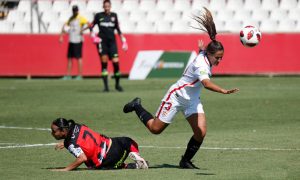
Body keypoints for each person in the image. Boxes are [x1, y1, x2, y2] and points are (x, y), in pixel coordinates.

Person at [123, 7, 239, 169]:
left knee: (201, 132)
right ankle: (137, 105)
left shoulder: (205, 57)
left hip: (191, 100)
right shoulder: (201, 63)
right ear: (210, 55)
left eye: (221, 58)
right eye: (218, 58)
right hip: (176, 96)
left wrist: (201, 49)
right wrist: (223, 90)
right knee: (155, 129)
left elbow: (202, 56)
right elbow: (205, 83)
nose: (219, 61)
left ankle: (185, 161)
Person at [50, 118, 148, 171]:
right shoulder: (77, 125)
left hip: (105, 161)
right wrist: (65, 142)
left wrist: (65, 169)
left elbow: (82, 158)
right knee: (128, 141)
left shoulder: (70, 144)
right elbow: (80, 137)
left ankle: (123, 165)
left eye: (54, 131)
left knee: (107, 164)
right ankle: (136, 158)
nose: (52, 133)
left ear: (63, 130)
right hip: (113, 145)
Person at [88, 0, 128, 92]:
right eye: (105, 6)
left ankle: (117, 85)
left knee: (116, 63)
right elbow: (91, 26)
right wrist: (93, 36)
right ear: (103, 7)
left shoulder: (114, 16)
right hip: (102, 43)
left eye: (108, 6)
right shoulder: (99, 16)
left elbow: (118, 29)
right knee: (104, 63)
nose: (106, 8)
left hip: (112, 43)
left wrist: (124, 41)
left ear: (110, 6)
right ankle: (106, 87)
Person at [59, 5, 89, 80]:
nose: (75, 12)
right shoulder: (71, 18)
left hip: (78, 40)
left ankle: (80, 75)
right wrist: (61, 36)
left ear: (78, 11)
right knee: (69, 58)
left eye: (76, 10)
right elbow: (64, 26)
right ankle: (68, 75)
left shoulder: (81, 18)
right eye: (74, 10)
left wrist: (83, 30)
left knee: (79, 58)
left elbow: (89, 24)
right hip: (71, 40)